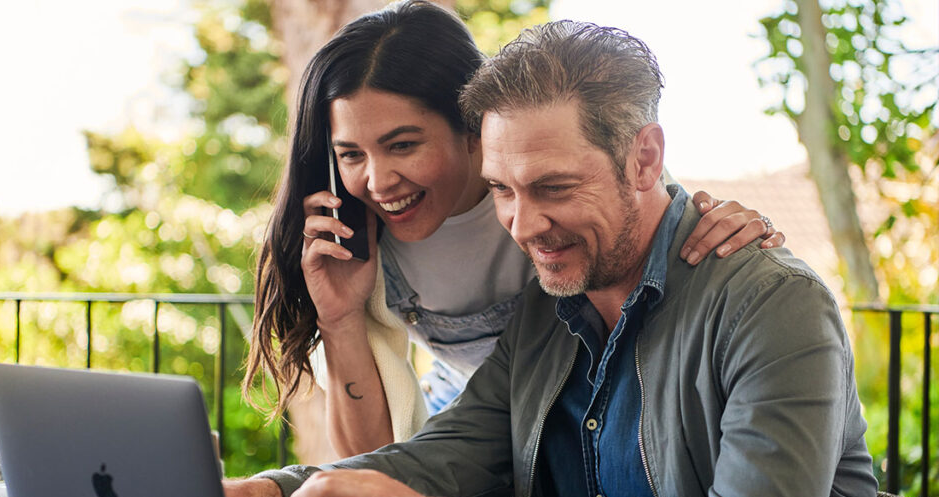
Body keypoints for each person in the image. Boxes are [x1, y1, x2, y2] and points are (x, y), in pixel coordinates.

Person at [223, 20, 888, 497]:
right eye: (501, 192)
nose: (524, 225)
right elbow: (437, 458)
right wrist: (262, 496)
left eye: (554, 187)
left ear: (645, 157)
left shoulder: (772, 305)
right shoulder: (550, 307)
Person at [244, 0, 785, 457]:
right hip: (467, 421)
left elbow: (659, 215)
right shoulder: (357, 243)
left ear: (473, 128)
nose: (378, 180)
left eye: (403, 145)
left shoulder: (557, 179)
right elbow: (369, 465)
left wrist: (726, 226)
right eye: (351, 154)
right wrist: (339, 319)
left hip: (592, 415)